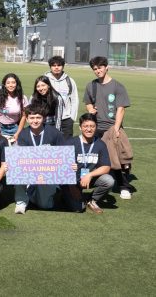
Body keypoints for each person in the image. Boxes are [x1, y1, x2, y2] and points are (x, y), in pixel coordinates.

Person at [83, 56, 133, 200]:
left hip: (111, 128)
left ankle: (124, 187)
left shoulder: (117, 86)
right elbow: (88, 102)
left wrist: (116, 128)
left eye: (100, 67)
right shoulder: (91, 85)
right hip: (95, 128)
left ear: (106, 67)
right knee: (95, 158)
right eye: (95, 69)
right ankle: (94, 182)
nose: (97, 70)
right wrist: (90, 109)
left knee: (117, 159)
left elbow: (121, 109)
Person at [12, 103, 64, 214]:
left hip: (48, 173)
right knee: (16, 169)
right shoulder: (23, 135)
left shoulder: (55, 133)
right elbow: (20, 159)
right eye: (32, 118)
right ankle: (21, 202)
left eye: (38, 118)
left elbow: (63, 156)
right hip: (30, 171)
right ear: (26, 119)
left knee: (45, 205)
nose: (35, 121)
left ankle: (34, 193)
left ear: (44, 118)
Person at [61, 113, 114, 214]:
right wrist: (68, 167)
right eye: (85, 126)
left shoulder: (100, 144)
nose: (89, 129)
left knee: (109, 180)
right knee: (78, 209)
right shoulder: (71, 142)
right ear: (80, 127)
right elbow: (59, 165)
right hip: (72, 181)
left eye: (92, 126)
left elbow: (106, 167)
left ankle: (91, 200)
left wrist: (89, 175)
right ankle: (66, 195)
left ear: (96, 127)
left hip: (89, 178)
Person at [45, 55, 79, 139]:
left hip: (66, 119)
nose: (56, 67)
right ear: (50, 67)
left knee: (66, 144)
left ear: (63, 66)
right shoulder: (44, 80)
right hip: (49, 119)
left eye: (59, 65)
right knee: (49, 143)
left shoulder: (69, 81)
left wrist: (72, 118)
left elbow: (74, 100)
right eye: (54, 65)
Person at [0, 73, 28, 143]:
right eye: (8, 83)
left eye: (13, 82)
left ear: (17, 84)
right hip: (0, 127)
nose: (11, 85)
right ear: (4, 85)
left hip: (15, 128)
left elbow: (24, 116)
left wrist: (18, 133)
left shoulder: (22, 98)